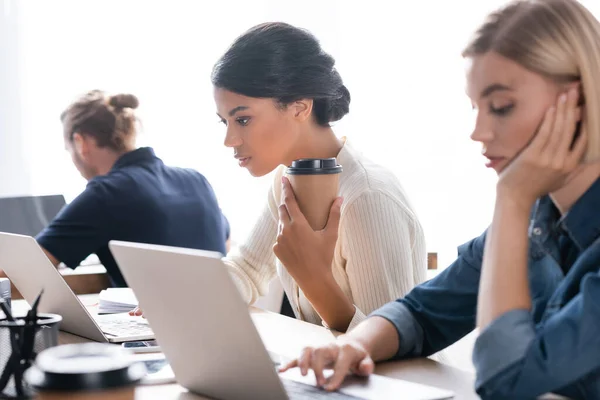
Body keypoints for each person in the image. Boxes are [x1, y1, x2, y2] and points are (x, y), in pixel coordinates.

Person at [280, 0, 600, 398]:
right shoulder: (541, 215)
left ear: (580, 103)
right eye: (475, 107)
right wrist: (353, 345)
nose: (478, 131)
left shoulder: (521, 206)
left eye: (501, 107)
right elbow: (422, 312)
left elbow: (507, 381)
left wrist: (511, 199)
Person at [211, 22, 426, 333]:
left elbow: (393, 345)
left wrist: (315, 280)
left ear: (300, 107)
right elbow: (247, 270)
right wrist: (177, 301)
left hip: (391, 380)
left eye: (243, 119)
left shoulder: (368, 195)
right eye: (225, 122)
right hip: (330, 376)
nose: (230, 140)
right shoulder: (286, 179)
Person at [37, 90, 230, 287]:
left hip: (154, 316)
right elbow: (226, 245)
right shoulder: (197, 180)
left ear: (80, 143)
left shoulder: (105, 193)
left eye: (68, 149)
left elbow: (28, 266)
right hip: (220, 313)